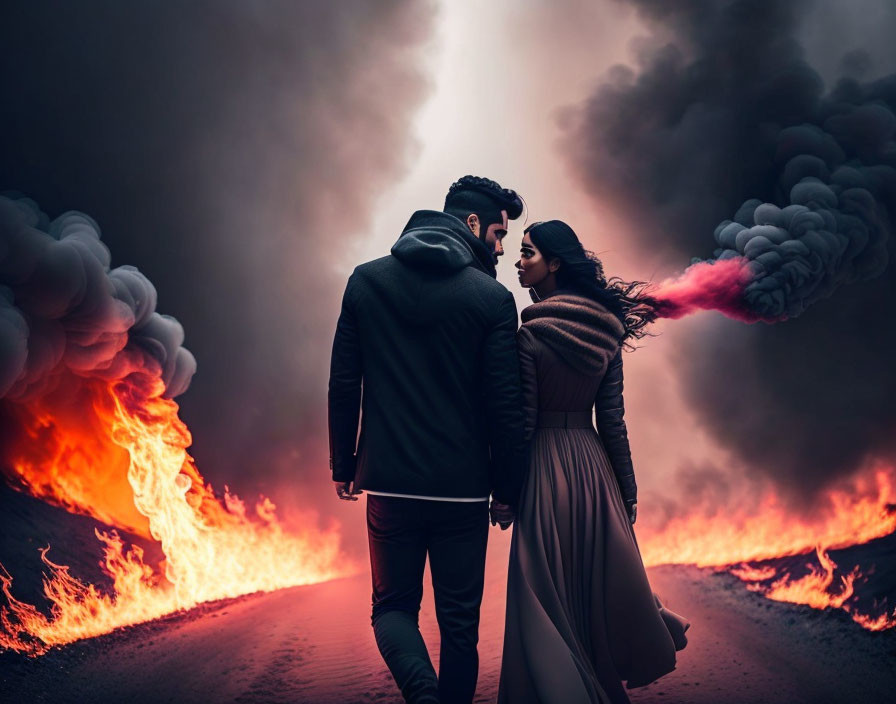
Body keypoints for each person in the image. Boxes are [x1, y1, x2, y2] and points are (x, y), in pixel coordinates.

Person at [328, 175, 528, 704]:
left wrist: (343, 464)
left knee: (392, 610)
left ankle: (422, 694)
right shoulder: (492, 299)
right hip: (464, 492)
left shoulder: (366, 282)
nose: (502, 247)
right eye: (498, 233)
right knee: (460, 627)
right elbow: (504, 407)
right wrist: (508, 487)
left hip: (389, 486)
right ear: (470, 223)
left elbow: (345, 383)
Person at [497, 220, 690, 704]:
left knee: (545, 597)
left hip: (544, 470)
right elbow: (613, 423)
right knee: (590, 595)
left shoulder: (529, 335)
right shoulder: (608, 332)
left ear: (555, 263)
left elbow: (522, 426)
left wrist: (507, 494)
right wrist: (626, 494)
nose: (518, 262)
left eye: (528, 253)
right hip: (593, 469)